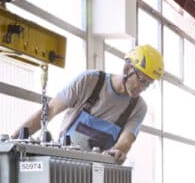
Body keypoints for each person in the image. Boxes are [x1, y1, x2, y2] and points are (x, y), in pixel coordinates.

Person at [18, 44, 162, 164]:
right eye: (142, 80)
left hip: (99, 170)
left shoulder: (138, 107)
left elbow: (126, 140)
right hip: (63, 163)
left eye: (149, 84)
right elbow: (50, 110)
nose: (143, 88)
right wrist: (14, 142)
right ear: (127, 69)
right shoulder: (89, 81)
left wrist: (118, 151)